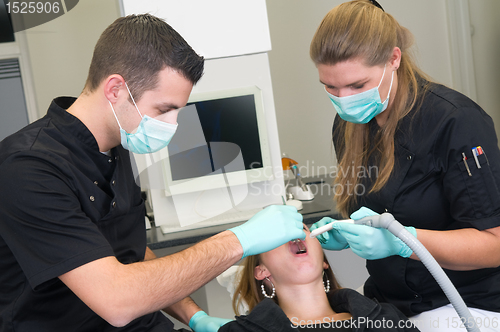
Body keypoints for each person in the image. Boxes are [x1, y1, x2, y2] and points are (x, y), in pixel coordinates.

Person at [0, 14, 306, 331]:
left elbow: (129, 252)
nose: (172, 126)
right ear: (116, 89)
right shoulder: (27, 168)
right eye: (163, 110)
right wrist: (240, 240)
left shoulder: (115, 146)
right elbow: (116, 300)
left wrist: (194, 316)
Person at [309, 0, 500, 330]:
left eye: (357, 86)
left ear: (393, 59)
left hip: (465, 303)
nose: (343, 99)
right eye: (330, 87)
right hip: (388, 301)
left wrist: (403, 241)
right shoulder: (349, 123)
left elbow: (494, 244)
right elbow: (378, 201)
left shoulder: (456, 122)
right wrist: (343, 228)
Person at [219, 224, 419, 332]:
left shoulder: (386, 319)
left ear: (324, 261)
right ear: (261, 271)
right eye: (277, 232)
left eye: (302, 228)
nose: (293, 235)